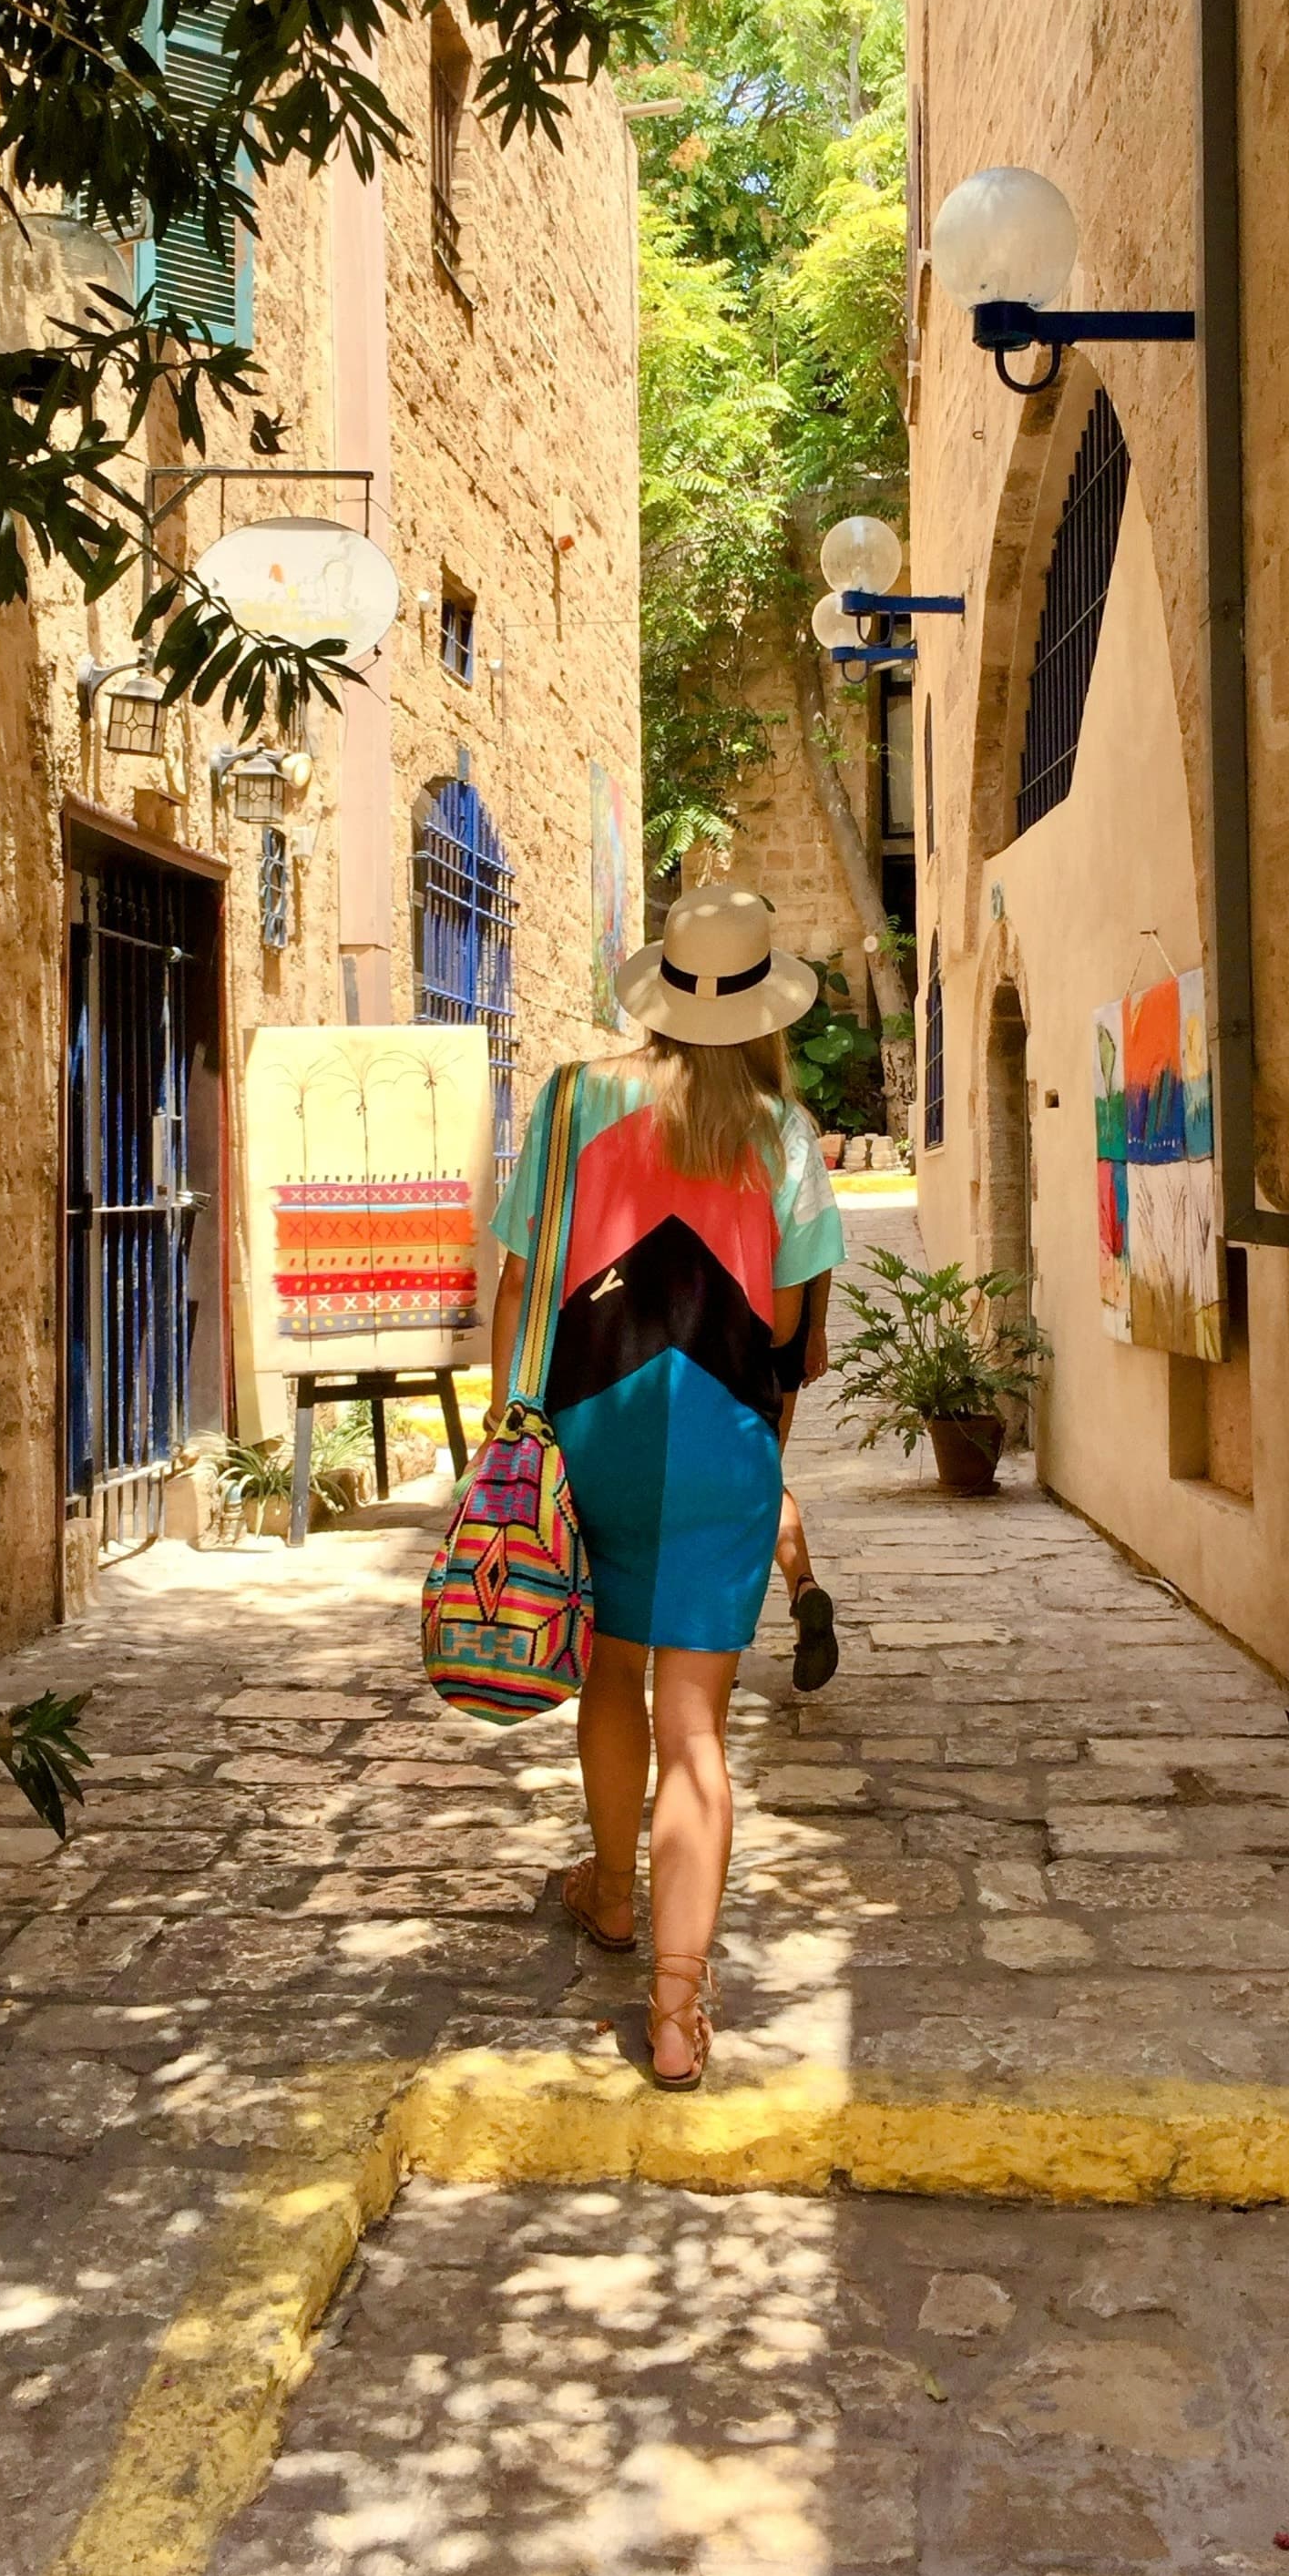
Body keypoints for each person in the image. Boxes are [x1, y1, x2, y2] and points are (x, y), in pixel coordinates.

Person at [486, 884, 844, 2090]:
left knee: (611, 1673)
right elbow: (797, 1333)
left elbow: (521, 1281)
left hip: (594, 1428)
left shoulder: (577, 1098)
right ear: (762, 1008)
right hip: (723, 1441)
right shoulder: (785, 1135)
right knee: (697, 1732)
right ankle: (680, 2017)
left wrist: (508, 1431)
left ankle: (611, 1896)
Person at [771, 1273, 839, 1690]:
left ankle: (716, 1645)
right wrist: (816, 1329)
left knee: (730, 1485)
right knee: (762, 1473)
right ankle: (803, 1587)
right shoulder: (807, 1199)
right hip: (788, 1325)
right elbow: (819, 1251)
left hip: (714, 1328)